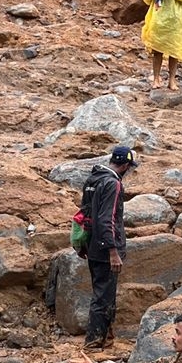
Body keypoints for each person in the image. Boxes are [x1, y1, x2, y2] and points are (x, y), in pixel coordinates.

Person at [80, 144, 137, 351]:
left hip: (93, 245)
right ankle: (94, 343)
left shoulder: (92, 180)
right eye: (130, 167)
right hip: (106, 250)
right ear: (125, 166)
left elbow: (85, 214)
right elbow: (107, 219)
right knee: (103, 296)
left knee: (101, 292)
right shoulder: (113, 184)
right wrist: (113, 251)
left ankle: (106, 337)